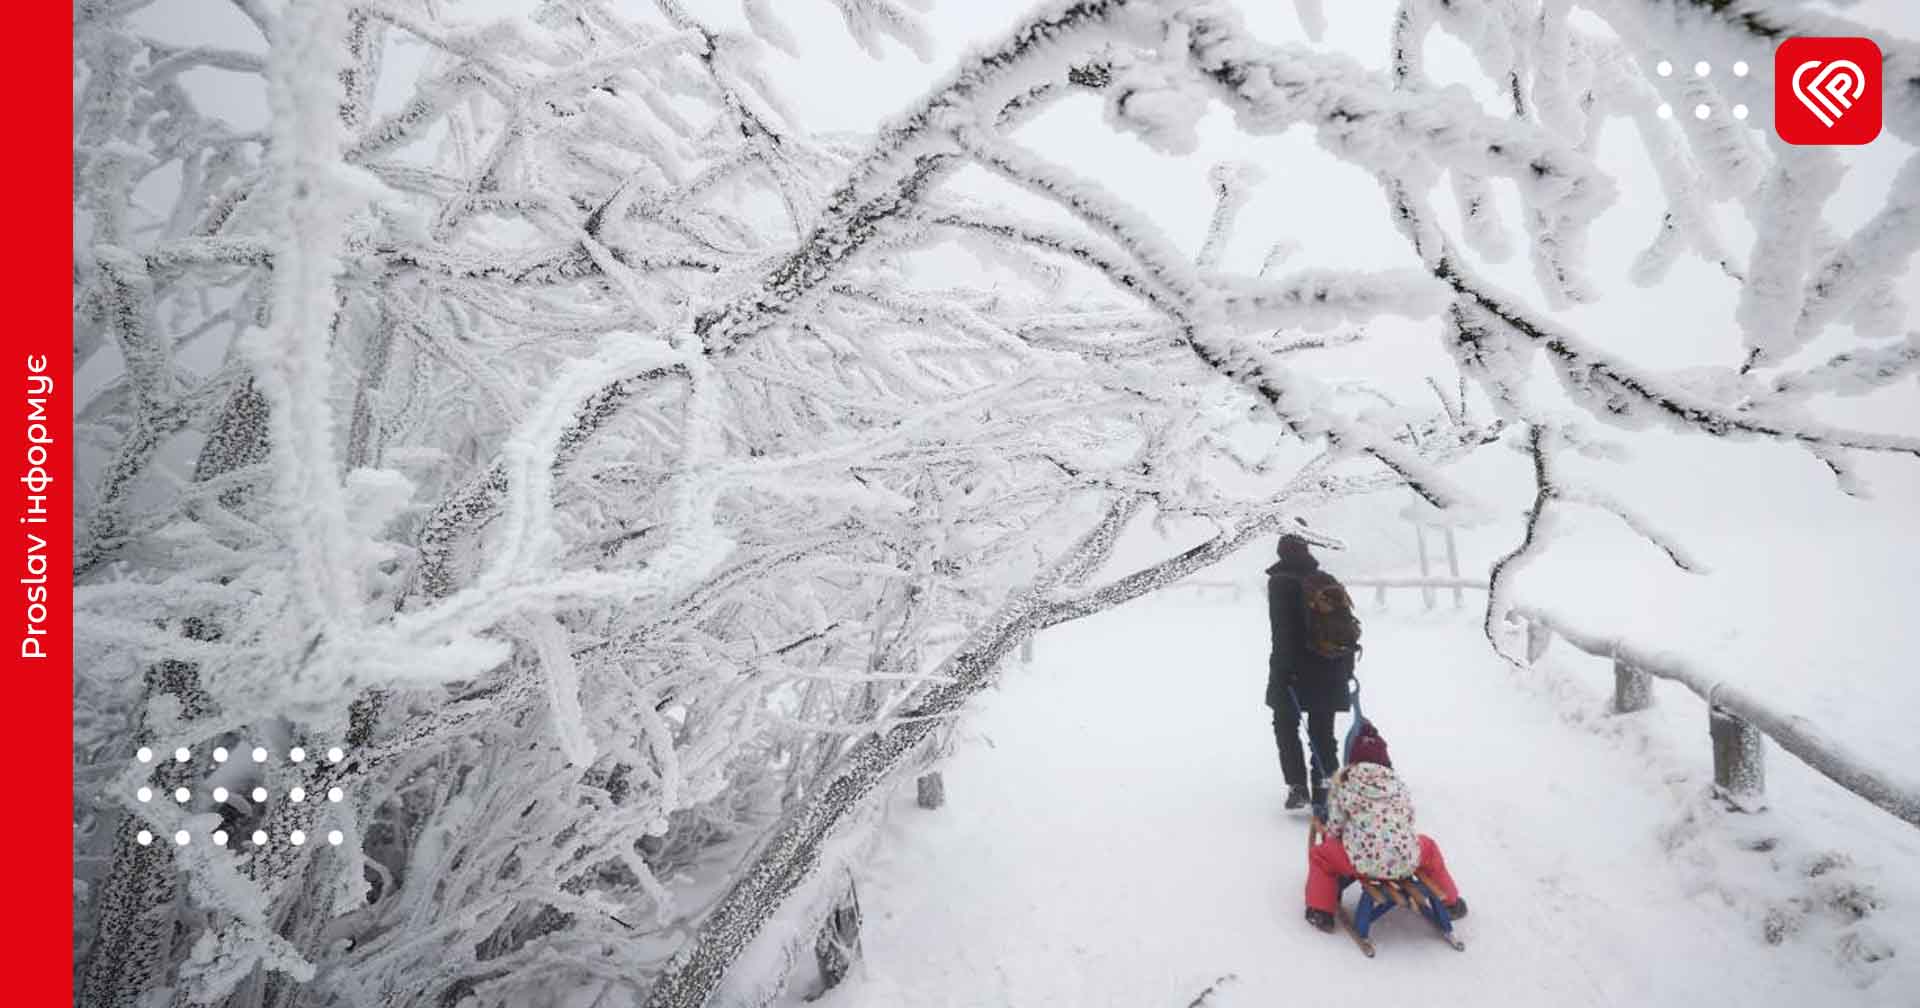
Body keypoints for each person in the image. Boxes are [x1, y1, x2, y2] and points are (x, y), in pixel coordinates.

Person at [1303, 723, 1466, 932]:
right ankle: (1451, 902)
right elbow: (1408, 819)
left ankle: (1320, 910)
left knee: (1321, 856)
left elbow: (1335, 827)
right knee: (1430, 848)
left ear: (1352, 760)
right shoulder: (1398, 784)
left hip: (1362, 861)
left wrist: (1341, 834)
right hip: (1406, 859)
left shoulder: (1345, 783)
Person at [1265, 533, 1353, 809]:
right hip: (1330, 667)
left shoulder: (1280, 583)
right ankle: (1325, 792)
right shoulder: (1326, 579)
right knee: (1322, 733)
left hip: (1294, 669)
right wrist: (1346, 669)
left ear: (1281, 550)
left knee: (1285, 725)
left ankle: (1298, 786)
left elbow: (1283, 634)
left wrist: (1282, 673)